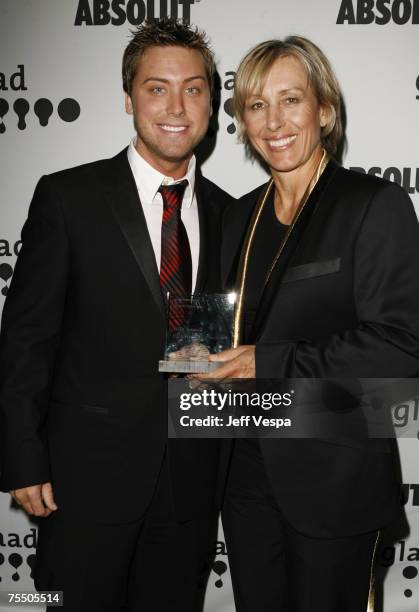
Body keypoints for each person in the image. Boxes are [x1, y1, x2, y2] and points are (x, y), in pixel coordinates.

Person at [0, 19, 233, 612]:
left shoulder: (233, 215)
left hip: (189, 489)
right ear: (128, 99)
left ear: (212, 100)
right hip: (81, 484)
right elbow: (26, 339)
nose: (176, 106)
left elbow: (209, 346)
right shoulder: (68, 198)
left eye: (194, 88)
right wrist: (23, 457)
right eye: (157, 88)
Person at [199, 36, 419, 611]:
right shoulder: (235, 216)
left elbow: (402, 348)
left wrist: (266, 362)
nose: (274, 121)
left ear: (324, 110)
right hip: (243, 477)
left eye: (290, 100)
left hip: (335, 480)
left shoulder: (374, 204)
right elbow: (220, 333)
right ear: (242, 121)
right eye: (255, 105)